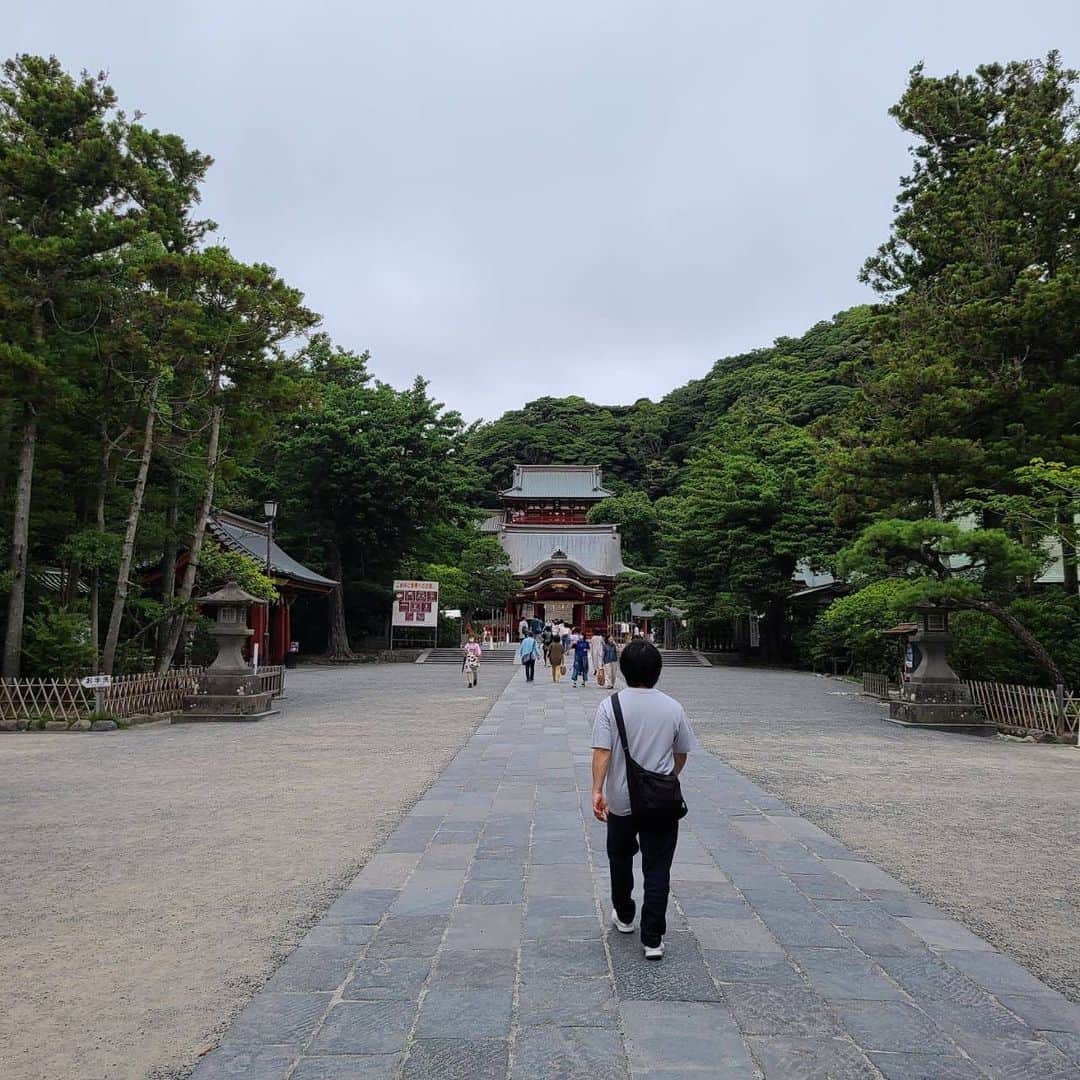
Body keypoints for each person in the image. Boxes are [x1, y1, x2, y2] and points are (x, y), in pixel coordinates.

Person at [590, 640, 695, 960]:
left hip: (622, 799)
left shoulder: (611, 706)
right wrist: (667, 778)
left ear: (623, 670)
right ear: (657, 671)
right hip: (662, 802)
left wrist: (597, 790)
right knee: (658, 866)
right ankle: (653, 938)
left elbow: (602, 753)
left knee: (619, 858)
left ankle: (624, 914)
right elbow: (681, 753)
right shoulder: (673, 707)